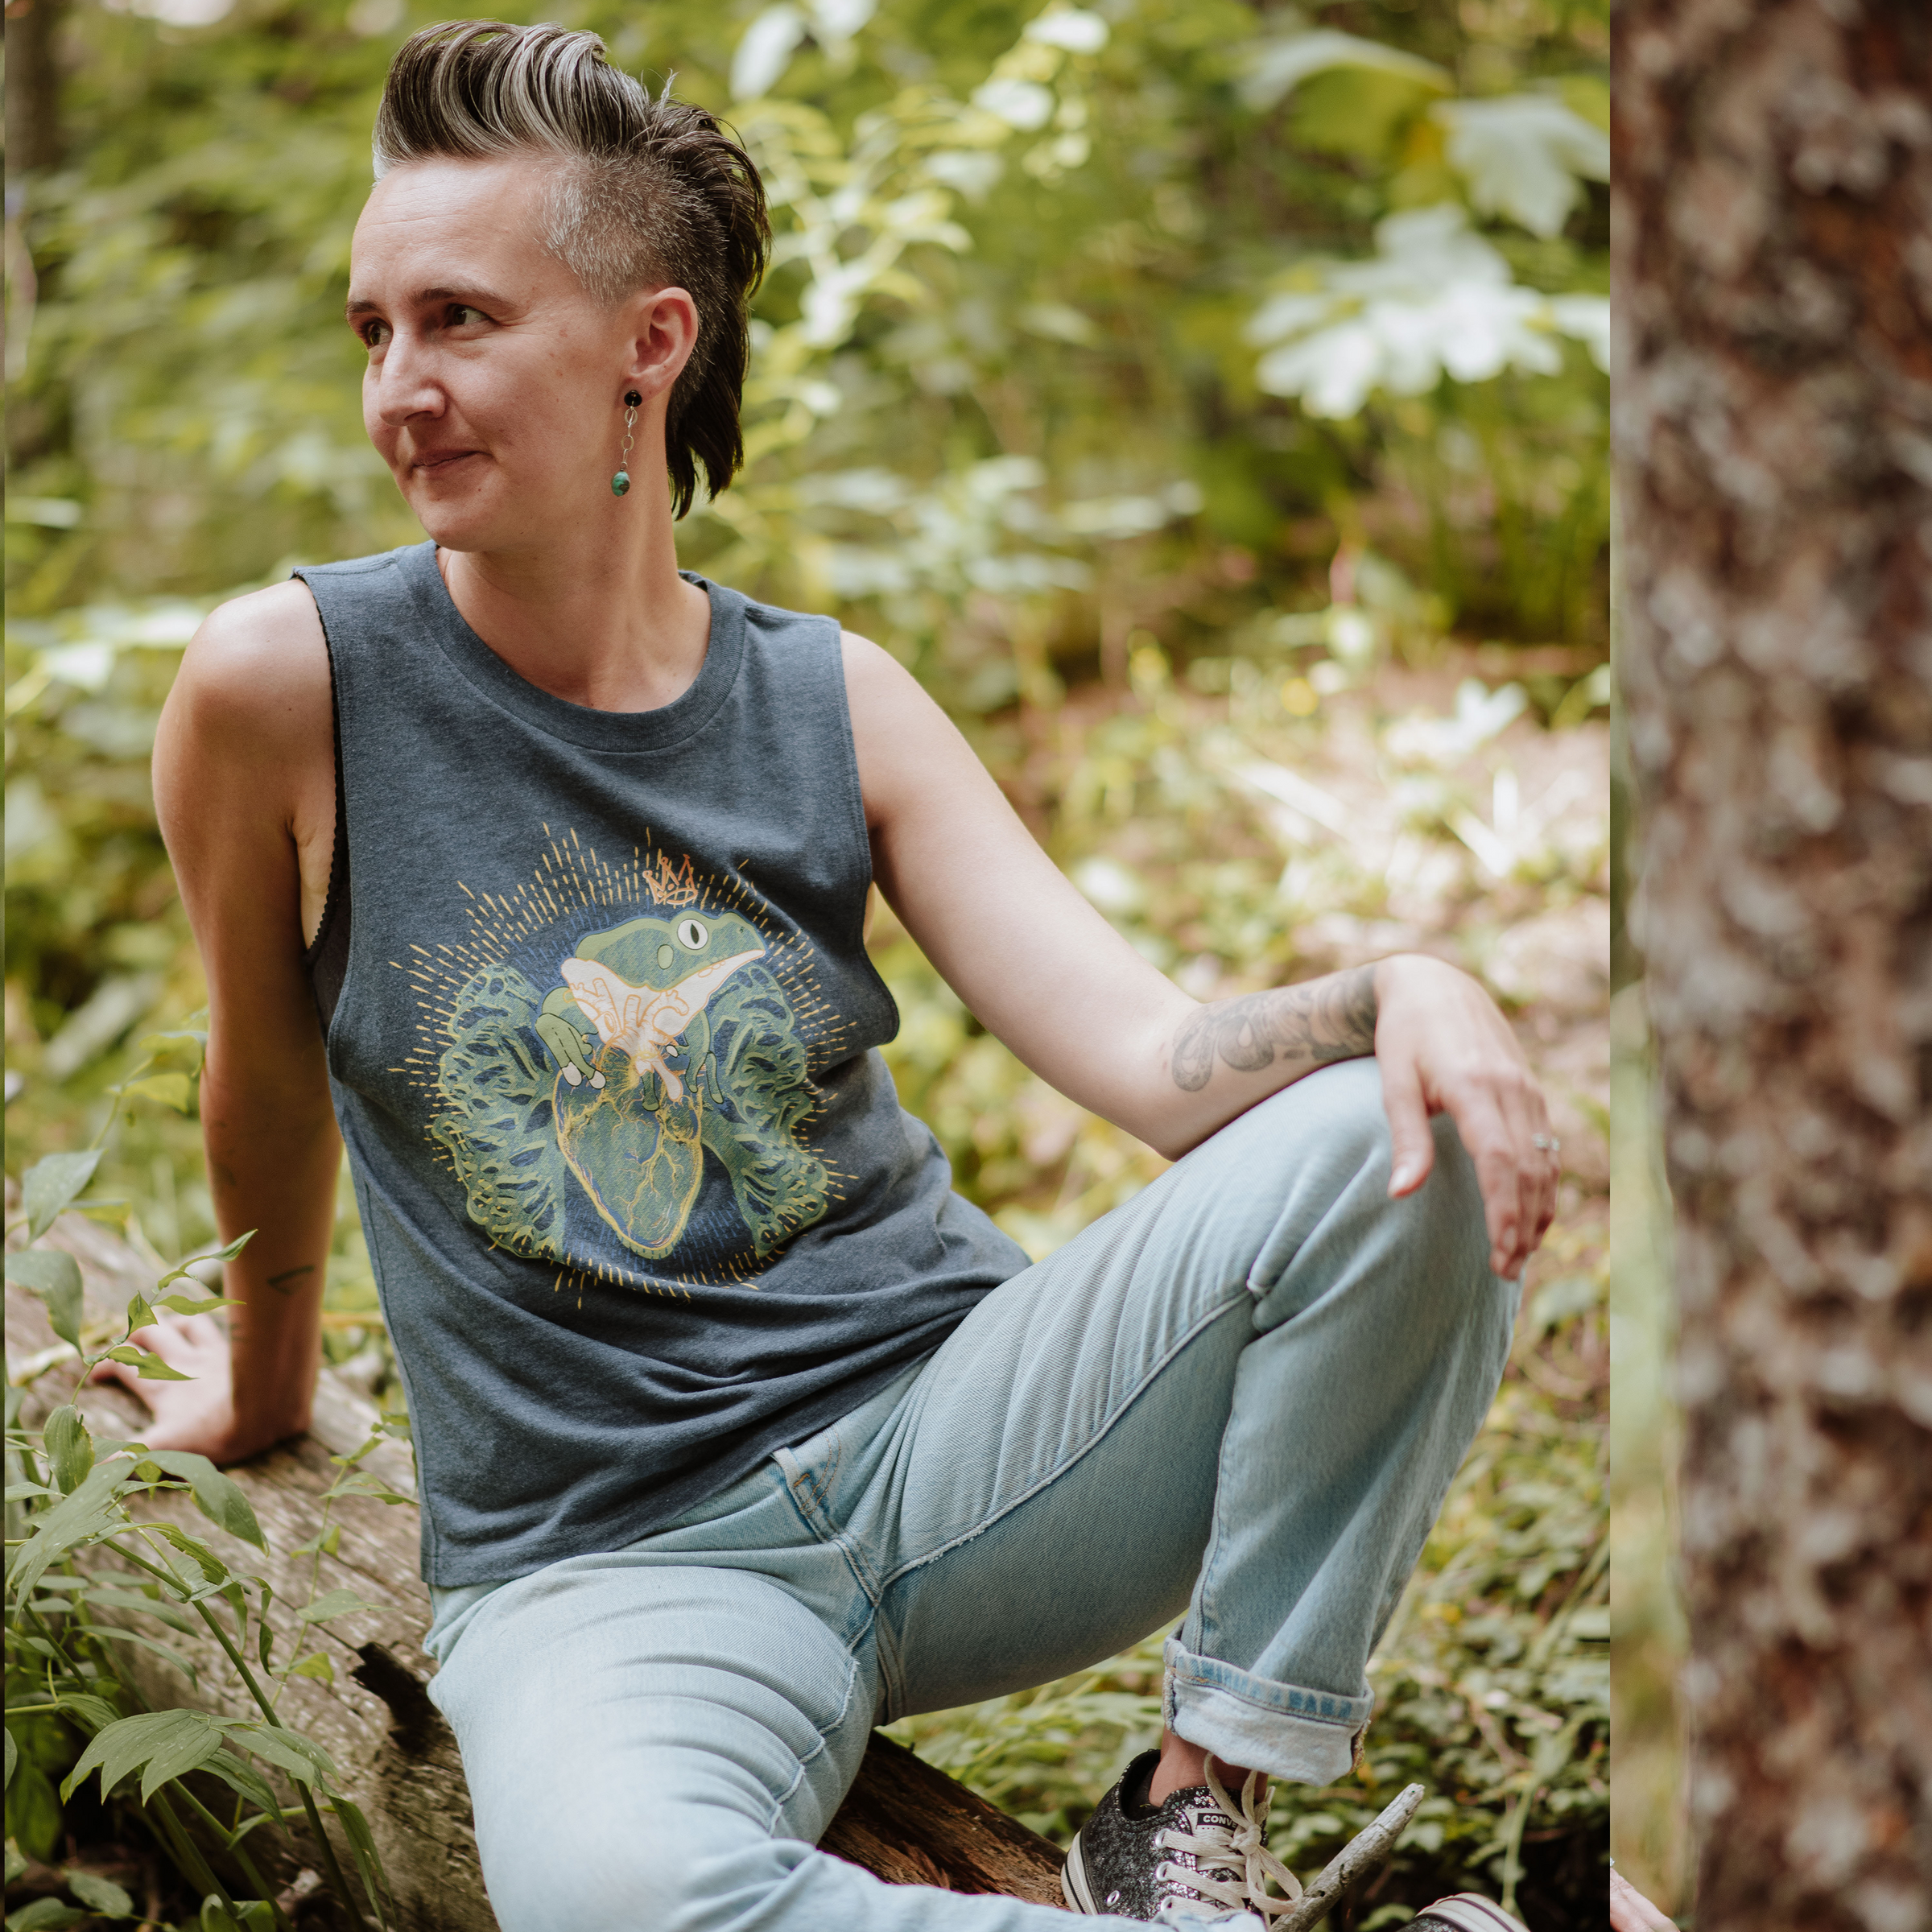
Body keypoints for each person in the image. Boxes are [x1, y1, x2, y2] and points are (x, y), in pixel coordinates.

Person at [109, 22, 1564, 1930]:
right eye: (371, 329)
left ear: (652, 341)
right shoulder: (282, 686)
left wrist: (1409, 989)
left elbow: (1147, 1054)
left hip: (966, 1448)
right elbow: (268, 1083)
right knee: (620, 1899)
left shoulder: (832, 700)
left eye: (460, 319)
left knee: (1413, 1132)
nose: (402, 389)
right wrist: (271, 1394)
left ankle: (1190, 1810)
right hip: (610, 1570)